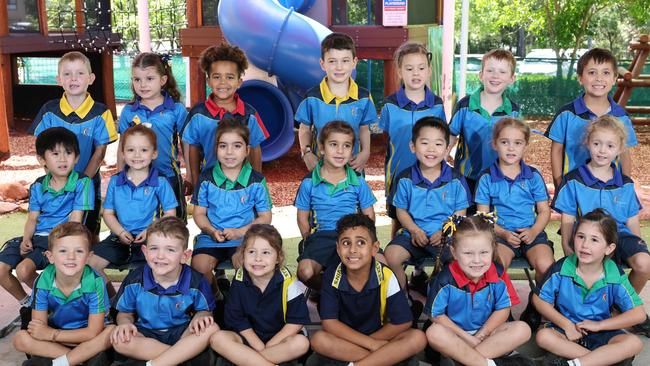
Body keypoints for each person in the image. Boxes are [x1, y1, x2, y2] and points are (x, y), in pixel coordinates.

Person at [552, 114, 650, 335]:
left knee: (645, 263)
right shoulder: (573, 180)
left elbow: (632, 221)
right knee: (592, 269)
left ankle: (618, 312)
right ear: (588, 144)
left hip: (620, 236)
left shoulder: (624, 183)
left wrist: (640, 245)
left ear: (619, 149)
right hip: (588, 238)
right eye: (597, 144)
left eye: (609, 145)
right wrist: (568, 248)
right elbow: (567, 219)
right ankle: (588, 313)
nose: (602, 150)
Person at [309, 214, 427, 366]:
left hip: (379, 336)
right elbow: (330, 323)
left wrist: (372, 341)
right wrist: (371, 345)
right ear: (338, 249)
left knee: (417, 338)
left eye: (361, 242)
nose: (353, 250)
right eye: (346, 243)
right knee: (319, 340)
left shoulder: (386, 275)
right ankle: (383, 359)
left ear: (374, 248)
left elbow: (403, 322)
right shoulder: (331, 276)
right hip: (347, 340)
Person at [533, 209, 645, 366]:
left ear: (609, 248)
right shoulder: (561, 268)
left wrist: (599, 325)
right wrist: (566, 325)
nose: (585, 245)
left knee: (634, 343)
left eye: (594, 240)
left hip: (601, 331)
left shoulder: (614, 275)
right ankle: (602, 360)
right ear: (573, 238)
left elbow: (638, 314)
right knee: (543, 336)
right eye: (580, 237)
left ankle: (577, 363)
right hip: (566, 331)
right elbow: (539, 300)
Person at [0, 127, 93, 307]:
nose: (63, 158)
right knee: (1, 270)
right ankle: (29, 304)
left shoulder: (82, 182)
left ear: (77, 158)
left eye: (68, 153)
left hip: (60, 238)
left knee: (24, 271)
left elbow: (75, 221)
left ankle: (50, 302)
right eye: (55, 153)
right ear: (42, 159)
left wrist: (60, 244)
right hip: (36, 237)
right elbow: (33, 218)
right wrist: (26, 239)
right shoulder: (37, 185)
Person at [425, 214, 534, 366]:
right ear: (454, 252)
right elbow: (436, 316)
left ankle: (467, 360)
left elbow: (503, 309)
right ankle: (487, 362)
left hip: (487, 334)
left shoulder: (498, 273)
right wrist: (469, 338)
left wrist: (483, 333)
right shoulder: (445, 279)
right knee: (434, 333)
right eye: (468, 253)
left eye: (483, 253)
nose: (477, 260)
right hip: (457, 335)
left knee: (523, 329)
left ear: (493, 250)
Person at [29, 51, 117, 239]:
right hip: (56, 184)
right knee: (58, 231)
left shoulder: (101, 112)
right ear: (59, 79)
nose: (73, 78)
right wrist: (57, 179)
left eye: (80, 73)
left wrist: (81, 181)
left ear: (91, 78)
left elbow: (100, 152)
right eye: (67, 74)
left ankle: (90, 267)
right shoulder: (49, 111)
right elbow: (42, 149)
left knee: (88, 231)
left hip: (89, 181)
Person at [111, 216, 219, 365]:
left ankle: (158, 362)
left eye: (170, 250)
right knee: (120, 341)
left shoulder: (196, 280)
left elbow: (205, 311)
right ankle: (178, 357)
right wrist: (124, 323)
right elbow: (125, 313)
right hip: (145, 333)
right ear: (145, 251)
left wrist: (200, 317)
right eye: (154, 248)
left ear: (184, 256)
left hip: (181, 332)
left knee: (211, 328)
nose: (160, 256)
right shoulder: (134, 280)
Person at [88, 124, 178, 297]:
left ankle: (142, 305)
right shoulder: (115, 181)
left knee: (154, 270)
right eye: (130, 150)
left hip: (151, 239)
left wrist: (150, 230)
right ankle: (113, 300)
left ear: (154, 153)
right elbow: (108, 213)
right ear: (122, 153)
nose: (137, 155)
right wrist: (120, 232)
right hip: (119, 237)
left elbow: (170, 215)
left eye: (143, 150)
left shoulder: (160, 182)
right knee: (89, 265)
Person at [384, 117, 471, 291]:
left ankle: (444, 301)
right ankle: (403, 301)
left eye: (438, 144)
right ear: (413, 146)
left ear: (447, 149)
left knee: (460, 260)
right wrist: (414, 230)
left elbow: (460, 212)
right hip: (413, 235)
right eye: (425, 143)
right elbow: (401, 211)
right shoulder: (405, 178)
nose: (431, 149)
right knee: (390, 256)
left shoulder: (456, 179)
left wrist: (445, 231)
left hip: (445, 237)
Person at [12, 222, 113, 366]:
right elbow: (39, 328)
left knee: (111, 331)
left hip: (86, 338)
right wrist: (49, 334)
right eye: (63, 251)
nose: (71, 257)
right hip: (59, 338)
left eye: (79, 251)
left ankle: (64, 361)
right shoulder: (43, 281)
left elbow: (93, 332)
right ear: (50, 256)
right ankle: (78, 359)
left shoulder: (95, 281)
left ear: (89, 257)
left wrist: (52, 335)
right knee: (20, 338)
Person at [191, 119, 272, 295]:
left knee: (246, 265)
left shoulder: (256, 180)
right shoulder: (206, 179)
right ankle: (216, 296)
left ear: (246, 150)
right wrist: (211, 230)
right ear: (216, 149)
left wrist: (239, 232)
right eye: (223, 146)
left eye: (236, 146)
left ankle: (239, 302)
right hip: (212, 237)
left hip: (245, 237)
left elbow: (265, 218)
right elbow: (199, 214)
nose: (229, 152)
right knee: (199, 267)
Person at [210, 224, 310, 365]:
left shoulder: (288, 282)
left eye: (266, 252)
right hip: (248, 338)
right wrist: (258, 346)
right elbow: (237, 319)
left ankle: (249, 361)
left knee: (301, 343)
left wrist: (267, 347)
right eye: (251, 252)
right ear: (243, 255)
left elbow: (296, 322)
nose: (258, 258)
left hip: (279, 340)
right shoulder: (239, 280)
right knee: (217, 338)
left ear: (278, 258)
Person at [295, 121, 376, 291]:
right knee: (305, 271)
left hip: (352, 235)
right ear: (322, 148)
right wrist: (307, 238)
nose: (340, 151)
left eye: (346, 146)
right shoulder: (309, 182)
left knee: (383, 265)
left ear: (352, 150)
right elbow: (302, 217)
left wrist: (365, 238)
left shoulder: (358, 181)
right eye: (333, 144)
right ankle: (329, 293)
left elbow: (369, 216)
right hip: (322, 236)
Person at [379, 41, 446, 240]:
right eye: (409, 68)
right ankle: (394, 260)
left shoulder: (437, 105)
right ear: (399, 71)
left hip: (429, 173)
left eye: (421, 68)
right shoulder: (390, 105)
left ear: (429, 71)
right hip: (398, 172)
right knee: (398, 218)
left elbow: (443, 137)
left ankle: (419, 270)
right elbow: (386, 137)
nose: (415, 73)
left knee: (427, 214)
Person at [475, 118, 554, 284]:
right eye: (505, 142)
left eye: (518, 143)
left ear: (525, 146)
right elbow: (483, 216)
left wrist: (533, 231)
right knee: (495, 267)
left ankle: (536, 307)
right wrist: (503, 233)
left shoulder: (533, 176)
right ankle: (503, 308)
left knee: (546, 266)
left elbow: (544, 211)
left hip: (532, 233)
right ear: (495, 144)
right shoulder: (486, 178)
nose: (511, 148)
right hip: (501, 235)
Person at [545, 48, 637, 190]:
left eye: (606, 73)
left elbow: (625, 153)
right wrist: (559, 185)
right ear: (580, 78)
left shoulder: (621, 116)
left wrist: (626, 187)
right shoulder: (567, 114)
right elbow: (556, 151)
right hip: (574, 189)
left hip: (611, 189)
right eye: (592, 72)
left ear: (614, 79)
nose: (599, 78)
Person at [182, 43, 269, 185]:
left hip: (242, 185)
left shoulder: (249, 114)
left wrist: (257, 183)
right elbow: (193, 148)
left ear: (239, 82)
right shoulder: (198, 114)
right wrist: (197, 183)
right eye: (216, 77)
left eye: (229, 77)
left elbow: (255, 148)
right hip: (210, 185)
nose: (223, 82)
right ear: (208, 81)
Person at [118, 52, 190, 219]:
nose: (143, 84)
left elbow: (186, 143)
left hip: (169, 175)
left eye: (149, 78)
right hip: (136, 177)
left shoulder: (176, 109)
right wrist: (121, 175)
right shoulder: (129, 112)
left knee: (174, 223)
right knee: (143, 222)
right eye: (137, 79)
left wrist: (191, 174)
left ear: (163, 80)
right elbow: (122, 146)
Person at [296, 32, 377, 173]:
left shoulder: (364, 98)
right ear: (322, 64)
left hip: (352, 169)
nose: (339, 67)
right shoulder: (311, 98)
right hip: (320, 169)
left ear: (354, 62)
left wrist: (365, 153)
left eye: (345, 61)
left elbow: (364, 129)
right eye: (332, 61)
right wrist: (307, 153)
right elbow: (304, 129)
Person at [449, 49, 519, 200]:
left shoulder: (513, 111)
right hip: (465, 177)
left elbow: (517, 144)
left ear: (512, 78)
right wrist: (439, 165)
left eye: (502, 72)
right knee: (466, 221)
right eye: (490, 70)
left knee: (493, 221)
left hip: (499, 178)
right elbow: (451, 137)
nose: (495, 76)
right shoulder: (465, 105)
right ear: (481, 75)